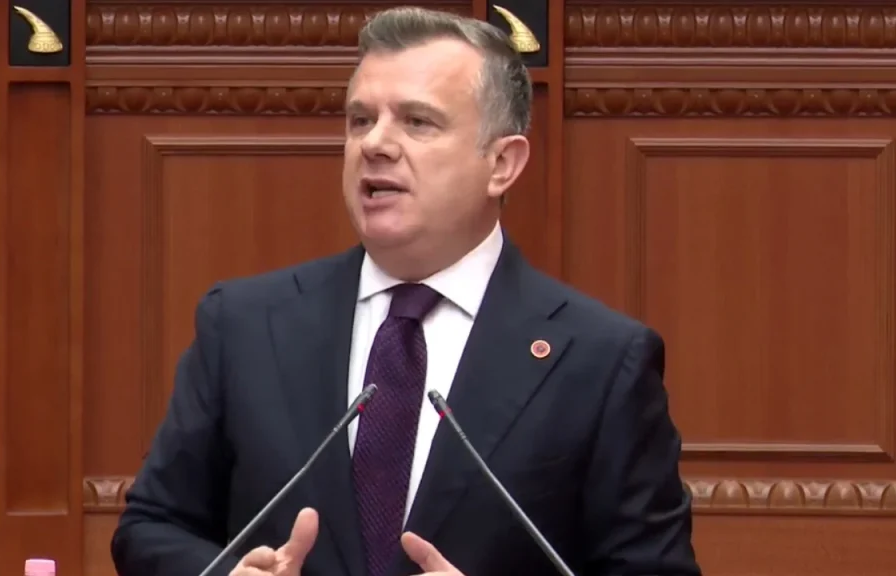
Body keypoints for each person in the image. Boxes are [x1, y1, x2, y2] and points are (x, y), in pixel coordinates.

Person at [111, 6, 701, 576]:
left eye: (417, 122)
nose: (375, 144)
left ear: (502, 163)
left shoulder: (600, 361)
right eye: (360, 120)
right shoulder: (245, 325)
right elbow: (151, 527)